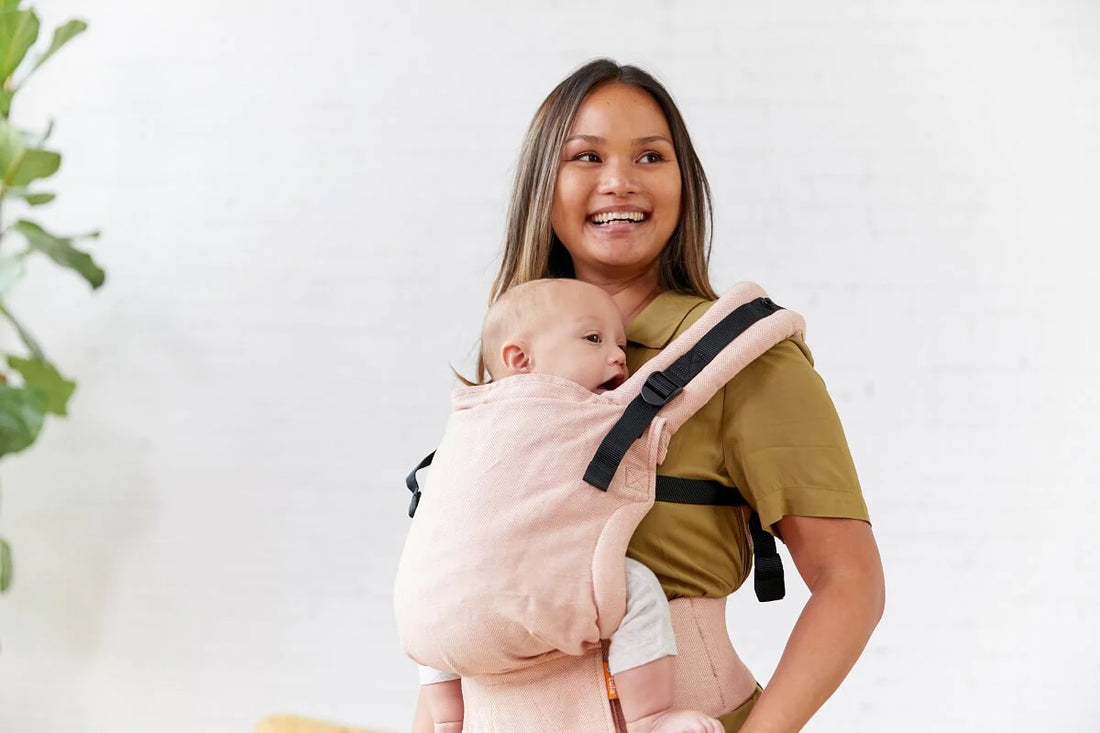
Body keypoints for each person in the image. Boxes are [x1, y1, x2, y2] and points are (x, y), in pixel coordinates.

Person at [412, 58, 885, 733]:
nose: (619, 181)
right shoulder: (517, 369)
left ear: (682, 183)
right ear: (543, 187)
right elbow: (457, 584)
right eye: (587, 156)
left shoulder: (745, 358)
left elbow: (851, 582)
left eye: (650, 156)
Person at [416, 277, 725, 733]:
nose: (619, 355)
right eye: (593, 338)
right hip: (529, 580)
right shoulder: (576, 414)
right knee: (633, 588)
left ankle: (448, 722)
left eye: (621, 343)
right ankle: (651, 715)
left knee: (432, 605)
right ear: (521, 359)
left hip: (440, 598)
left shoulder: (466, 419)